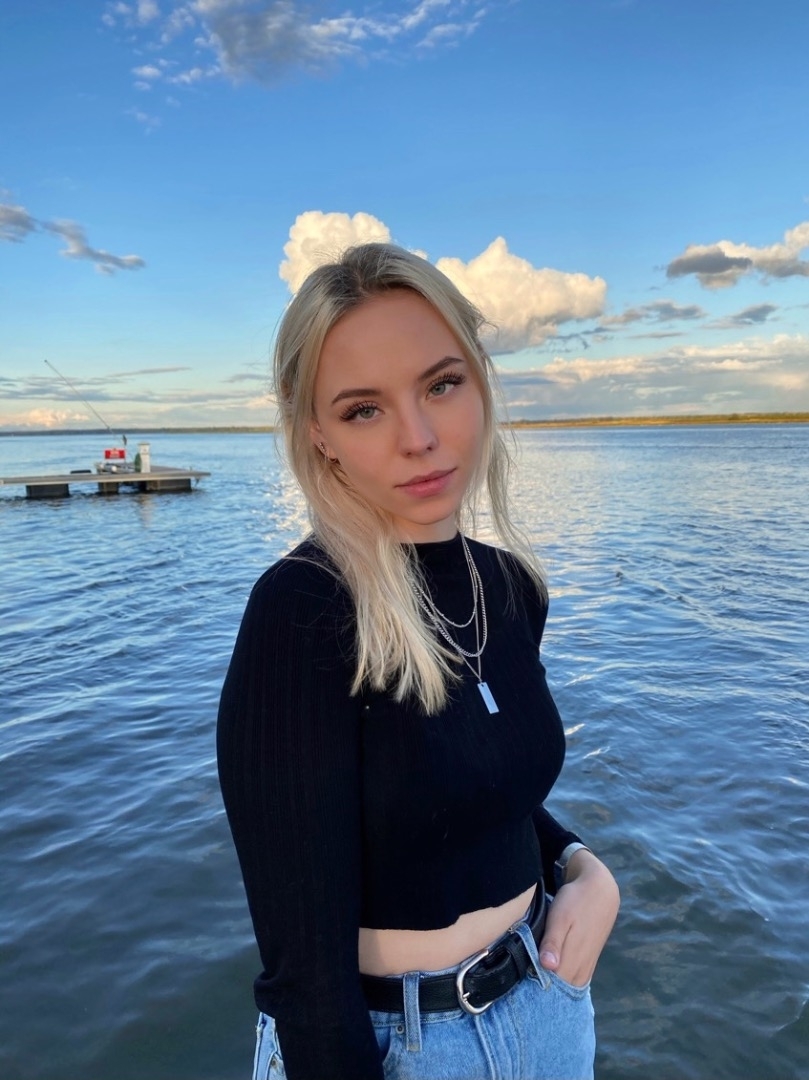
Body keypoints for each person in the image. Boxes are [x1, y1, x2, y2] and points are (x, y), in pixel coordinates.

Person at [217, 242, 620, 1080]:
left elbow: (483, 783)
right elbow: (304, 972)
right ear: (318, 434)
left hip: (546, 1004)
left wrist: (581, 866)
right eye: (364, 409)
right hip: (395, 1044)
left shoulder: (508, 586)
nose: (421, 438)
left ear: (479, 379)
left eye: (440, 385)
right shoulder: (303, 612)